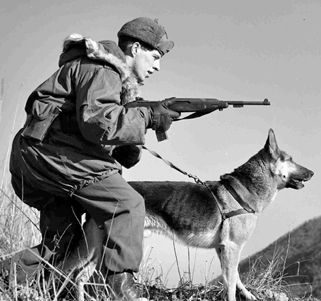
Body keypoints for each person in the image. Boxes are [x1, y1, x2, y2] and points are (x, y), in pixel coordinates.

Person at [6, 17, 179, 300]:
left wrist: (133, 134)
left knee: (64, 242)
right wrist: (146, 115)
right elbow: (98, 121)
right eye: (155, 56)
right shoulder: (104, 70)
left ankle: (10, 278)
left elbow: (101, 132)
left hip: (37, 158)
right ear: (135, 49)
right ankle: (118, 288)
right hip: (52, 155)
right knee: (127, 204)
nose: (157, 66)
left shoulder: (108, 76)